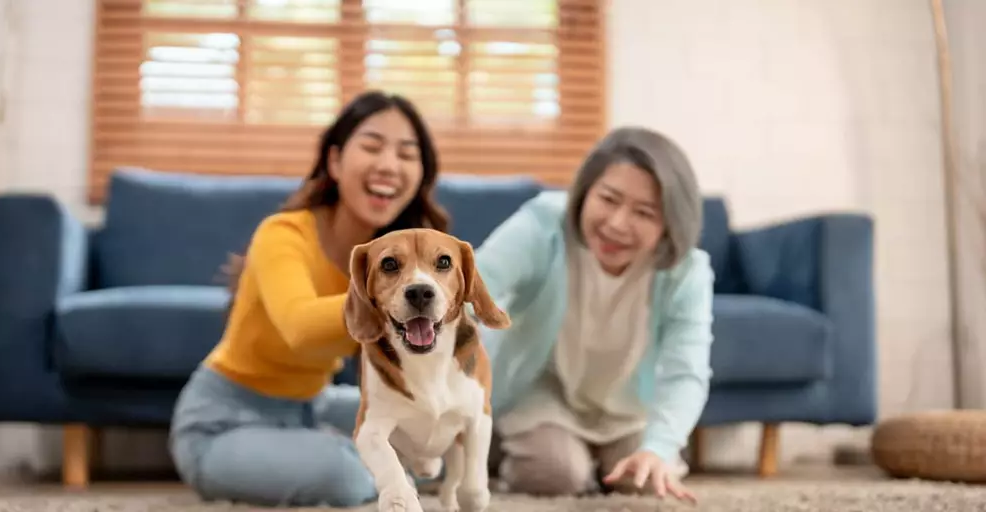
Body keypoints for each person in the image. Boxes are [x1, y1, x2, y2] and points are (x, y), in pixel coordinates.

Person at [168, 90, 450, 508]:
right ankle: (353, 461)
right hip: (221, 423)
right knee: (343, 473)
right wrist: (399, 302)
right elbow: (300, 327)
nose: (389, 165)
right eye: (372, 146)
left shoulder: (396, 261)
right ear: (335, 162)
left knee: (430, 430)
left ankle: (350, 455)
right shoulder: (283, 234)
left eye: (407, 155)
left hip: (311, 408)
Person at [475, 127, 713, 503]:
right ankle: (508, 452)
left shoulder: (687, 271)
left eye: (644, 213)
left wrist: (658, 448)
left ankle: (599, 465)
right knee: (559, 473)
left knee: (645, 479)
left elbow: (686, 372)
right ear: (585, 192)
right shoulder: (544, 224)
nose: (617, 223)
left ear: (669, 223)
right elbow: (474, 282)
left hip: (627, 405)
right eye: (609, 198)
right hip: (542, 390)